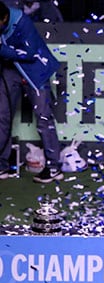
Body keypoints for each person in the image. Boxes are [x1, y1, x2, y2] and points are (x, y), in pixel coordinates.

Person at [0, 2, 61, 182]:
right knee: (2, 116)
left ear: (4, 19)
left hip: (36, 71)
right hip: (11, 71)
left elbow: (29, 53)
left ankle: (54, 168)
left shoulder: (22, 22)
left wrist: (1, 49)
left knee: (43, 118)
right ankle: (2, 166)